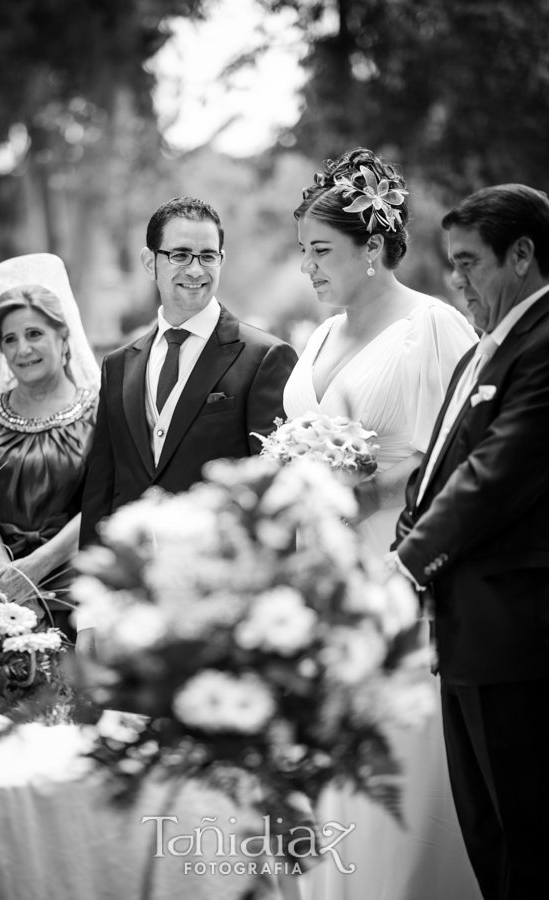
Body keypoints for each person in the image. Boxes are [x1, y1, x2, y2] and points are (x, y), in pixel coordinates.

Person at [284, 149, 481, 899]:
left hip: (397, 559)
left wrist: (385, 478)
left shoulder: (436, 326)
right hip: (319, 567)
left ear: (372, 249)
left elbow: (475, 452)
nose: (310, 267)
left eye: (323, 251)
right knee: (332, 750)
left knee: (397, 744)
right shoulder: (316, 337)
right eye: (303, 252)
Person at [391, 184, 549, 900]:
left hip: (516, 633)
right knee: (483, 831)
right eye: (449, 265)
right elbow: (436, 473)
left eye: (467, 263)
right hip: (461, 630)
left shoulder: (543, 345)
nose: (454, 281)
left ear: (521, 255)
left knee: (527, 834)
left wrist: (405, 565)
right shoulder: (481, 351)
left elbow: (494, 475)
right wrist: (407, 528)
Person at [79, 196, 297, 546]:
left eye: (208, 256)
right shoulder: (118, 365)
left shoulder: (266, 357)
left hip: (216, 573)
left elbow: (273, 490)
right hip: (131, 575)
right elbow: (101, 486)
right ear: (150, 262)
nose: (195, 270)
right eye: (179, 255)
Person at [0, 253, 100, 635]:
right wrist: (8, 589)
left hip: (82, 597)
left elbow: (105, 501)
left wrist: (31, 572)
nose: (22, 350)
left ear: (63, 336)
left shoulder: (104, 411)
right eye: (10, 339)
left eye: (34, 334)